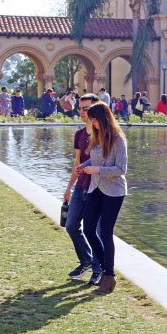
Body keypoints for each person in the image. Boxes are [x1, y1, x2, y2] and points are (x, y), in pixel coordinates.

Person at [75, 103, 128, 294]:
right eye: (91, 120)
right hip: (95, 187)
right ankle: (106, 270)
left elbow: (121, 169)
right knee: (88, 228)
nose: (92, 123)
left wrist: (97, 169)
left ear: (103, 118)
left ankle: (109, 275)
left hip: (114, 191)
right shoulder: (96, 137)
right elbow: (97, 160)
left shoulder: (118, 139)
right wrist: (84, 165)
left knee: (106, 232)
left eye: (94, 119)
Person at [63, 94, 101, 283]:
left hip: (97, 189)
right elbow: (77, 165)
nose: (82, 112)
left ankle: (98, 269)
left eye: (86, 109)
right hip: (81, 187)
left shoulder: (103, 134)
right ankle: (86, 260)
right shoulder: (79, 134)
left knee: (93, 229)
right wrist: (69, 188)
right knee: (71, 226)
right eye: (80, 109)